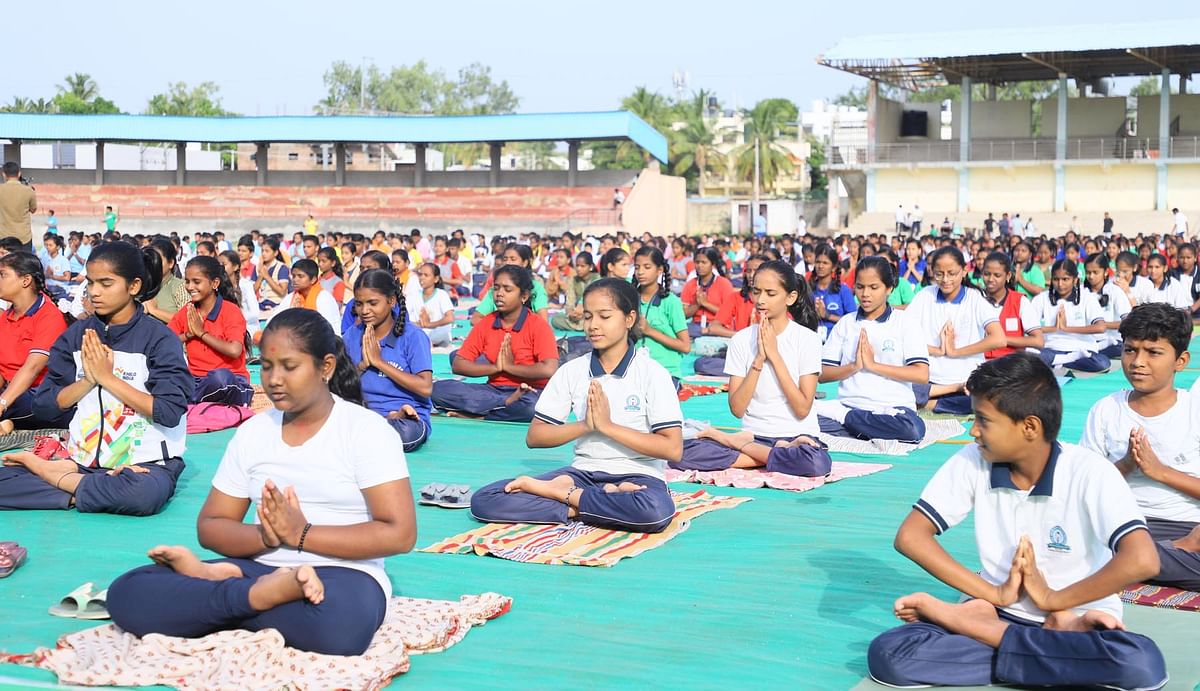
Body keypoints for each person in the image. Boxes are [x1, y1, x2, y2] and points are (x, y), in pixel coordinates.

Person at [106, 308, 416, 655]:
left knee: (340, 629)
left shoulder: (366, 431)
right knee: (128, 592)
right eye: (267, 367)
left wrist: (300, 535)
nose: (274, 380)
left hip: (343, 575)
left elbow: (399, 534)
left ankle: (227, 602)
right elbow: (212, 525)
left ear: (325, 367)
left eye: (289, 366)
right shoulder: (254, 431)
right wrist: (265, 537)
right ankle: (260, 595)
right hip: (258, 569)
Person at [866, 353, 1166, 690]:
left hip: (1078, 616)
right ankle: (1032, 646)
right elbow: (911, 536)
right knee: (889, 654)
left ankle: (977, 627)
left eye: (983, 420)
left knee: (1141, 664)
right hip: (1003, 613)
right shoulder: (973, 460)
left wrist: (1055, 601)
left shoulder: (1090, 471)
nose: (973, 430)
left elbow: (1142, 558)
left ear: (1029, 427)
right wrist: (992, 593)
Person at [470, 278, 682, 533]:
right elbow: (536, 436)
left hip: (638, 475)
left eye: (604, 316)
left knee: (653, 513)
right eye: (588, 317)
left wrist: (607, 427)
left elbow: (672, 448)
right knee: (486, 499)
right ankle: (589, 503)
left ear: (629, 319)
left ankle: (568, 499)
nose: (593, 326)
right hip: (583, 474)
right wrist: (585, 426)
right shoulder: (573, 370)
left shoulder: (652, 373)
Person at [0, 242, 190, 515]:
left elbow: (169, 412)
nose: (94, 292)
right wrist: (88, 381)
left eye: (106, 283)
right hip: (82, 461)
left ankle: (57, 479)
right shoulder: (76, 335)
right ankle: (80, 485)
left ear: (133, 286)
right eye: (90, 282)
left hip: (144, 466)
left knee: (142, 495)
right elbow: (44, 406)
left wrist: (107, 378)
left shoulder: (159, 339)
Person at [1081, 303, 1200, 592]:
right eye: (1130, 350)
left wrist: (1160, 472)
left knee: (1075, 562)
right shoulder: (1107, 410)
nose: (1138, 362)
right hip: (1123, 525)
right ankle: (1150, 557)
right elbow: (1084, 489)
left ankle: (1134, 563)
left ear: (1180, 361)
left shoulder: (1193, 409)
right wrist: (1125, 465)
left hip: (1187, 527)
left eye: (1153, 352)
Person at [673, 261, 832, 477]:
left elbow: (802, 408)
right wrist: (758, 359)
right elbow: (737, 408)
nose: (761, 300)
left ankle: (734, 444)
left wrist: (774, 356)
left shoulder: (807, 340)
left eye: (770, 293)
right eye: (757, 292)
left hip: (798, 436)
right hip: (755, 435)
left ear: (790, 298)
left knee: (815, 463)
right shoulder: (741, 340)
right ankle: (771, 455)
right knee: (681, 453)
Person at [815, 256, 929, 442]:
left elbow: (921, 374)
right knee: (800, 420)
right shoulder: (846, 323)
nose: (865, 294)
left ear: (889, 289)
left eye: (873, 287)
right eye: (860, 287)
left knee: (912, 431)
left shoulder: (905, 322)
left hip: (893, 410)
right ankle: (860, 426)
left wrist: (873, 365)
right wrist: (854, 366)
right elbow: (822, 373)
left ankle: (849, 422)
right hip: (849, 404)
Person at [431, 265, 559, 422]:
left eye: (507, 289)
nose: (499, 294)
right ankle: (500, 408)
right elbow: (458, 364)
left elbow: (549, 369)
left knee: (534, 407)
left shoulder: (538, 325)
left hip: (529, 393)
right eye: (496, 288)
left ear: (524, 296)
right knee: (437, 390)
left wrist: (510, 367)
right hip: (493, 391)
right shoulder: (487, 322)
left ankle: (483, 414)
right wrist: (496, 368)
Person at [906, 246, 1005, 415]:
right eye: (939, 274)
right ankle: (933, 400)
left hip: (967, 379)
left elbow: (999, 339)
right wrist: (937, 350)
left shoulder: (974, 298)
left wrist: (955, 352)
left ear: (964, 271)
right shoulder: (924, 296)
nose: (945, 279)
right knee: (898, 387)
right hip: (930, 381)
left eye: (952, 273)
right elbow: (904, 335)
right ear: (932, 271)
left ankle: (929, 404)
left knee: (991, 400)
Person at [344, 270, 433, 452]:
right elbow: (339, 386)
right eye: (359, 304)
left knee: (404, 435)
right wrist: (362, 366)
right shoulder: (351, 336)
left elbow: (425, 388)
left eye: (372, 303)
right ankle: (376, 427)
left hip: (406, 421)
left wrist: (379, 362)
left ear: (391, 301)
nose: (365, 310)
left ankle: (389, 421)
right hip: (363, 413)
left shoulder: (413, 336)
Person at [167, 256, 254, 406]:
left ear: (214, 283)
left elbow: (234, 350)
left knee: (221, 379)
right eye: (187, 281)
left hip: (230, 379)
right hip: (196, 380)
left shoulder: (230, 310)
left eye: (196, 282)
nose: (190, 287)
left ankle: (189, 400)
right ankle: (192, 398)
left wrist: (201, 334)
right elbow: (165, 341)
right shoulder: (188, 311)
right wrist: (188, 334)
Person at [0, 252, 70, 431]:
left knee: (32, 405)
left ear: (25, 280)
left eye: (2, 275)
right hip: (11, 393)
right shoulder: (6, 317)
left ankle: (11, 422)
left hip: (36, 394)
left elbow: (32, 368)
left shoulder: (49, 316)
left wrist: (2, 403)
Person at [1027, 259, 1110, 373]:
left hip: (1081, 350)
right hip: (1051, 348)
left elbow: (1101, 327)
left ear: (1075, 280)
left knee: (1102, 363)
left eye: (1065, 279)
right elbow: (1028, 328)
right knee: (1027, 354)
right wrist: (1053, 328)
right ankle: (1064, 360)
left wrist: (1066, 328)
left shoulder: (1087, 298)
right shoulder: (1041, 298)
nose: (1060, 284)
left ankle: (1058, 361)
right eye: (1056, 279)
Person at [693, 255, 766, 377]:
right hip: (740, 350)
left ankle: (750, 370)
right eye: (748, 271)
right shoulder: (736, 297)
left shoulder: (774, 299)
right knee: (701, 364)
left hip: (765, 352)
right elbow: (714, 328)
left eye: (756, 271)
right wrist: (741, 335)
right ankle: (748, 370)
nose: (751, 275)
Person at [633, 247, 690, 380]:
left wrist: (650, 331)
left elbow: (685, 346)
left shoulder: (671, 302)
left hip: (666, 372)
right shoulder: (630, 299)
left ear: (659, 270)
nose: (640, 272)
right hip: (636, 370)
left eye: (647, 267)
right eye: (637, 267)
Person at [979, 252, 1044, 359]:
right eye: (986, 274)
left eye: (997, 275)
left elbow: (1038, 341)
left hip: (1010, 364)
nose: (990, 279)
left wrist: (1000, 339)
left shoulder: (1020, 301)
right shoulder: (975, 298)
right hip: (979, 361)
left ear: (1008, 276)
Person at [471, 244, 550, 325]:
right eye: (505, 259)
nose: (508, 263)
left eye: (513, 259)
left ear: (525, 263)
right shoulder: (496, 288)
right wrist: (500, 329)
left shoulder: (536, 288)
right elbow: (475, 319)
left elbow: (543, 321)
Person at [1083, 254, 1132, 359]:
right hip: (1087, 340)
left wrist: (1101, 325)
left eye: (1095, 272)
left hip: (1111, 341)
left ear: (1105, 272)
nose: (1091, 276)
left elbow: (1128, 321)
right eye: (1088, 272)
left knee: (1121, 348)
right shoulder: (1081, 292)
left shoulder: (1114, 290)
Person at [680, 247, 735, 339]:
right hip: (696, 326)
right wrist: (697, 304)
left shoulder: (724, 283)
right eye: (697, 262)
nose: (700, 266)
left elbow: (729, 315)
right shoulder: (690, 284)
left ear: (712, 264)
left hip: (718, 327)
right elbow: (683, 315)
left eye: (704, 262)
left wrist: (706, 304)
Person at [810, 244, 857, 342]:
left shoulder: (843, 290)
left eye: (825, 263)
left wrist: (827, 316)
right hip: (811, 341)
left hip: (837, 342)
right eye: (818, 262)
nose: (820, 266)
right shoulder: (808, 289)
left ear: (834, 267)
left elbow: (853, 321)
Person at [141, 238, 189, 324]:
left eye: (158, 260)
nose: (154, 264)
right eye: (150, 260)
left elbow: (186, 321)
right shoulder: (140, 285)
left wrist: (154, 310)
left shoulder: (180, 287)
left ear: (171, 263)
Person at [551, 251, 600, 332]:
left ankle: (585, 325)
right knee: (555, 320)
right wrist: (571, 313)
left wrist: (584, 310)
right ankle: (584, 326)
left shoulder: (597, 279)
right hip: (578, 317)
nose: (579, 269)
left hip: (593, 314)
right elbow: (570, 301)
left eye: (582, 266)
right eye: (577, 266)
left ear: (590, 267)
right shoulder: (573, 280)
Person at [218, 250, 261, 342]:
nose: (220, 268)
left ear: (235, 267)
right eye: (218, 265)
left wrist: (234, 318)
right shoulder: (219, 287)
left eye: (223, 264)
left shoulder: (245, 285)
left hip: (248, 329)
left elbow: (255, 312)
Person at [411, 262, 455, 347]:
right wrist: (419, 325)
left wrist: (430, 325)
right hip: (419, 331)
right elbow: (406, 318)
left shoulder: (441, 294)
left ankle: (425, 341)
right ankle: (424, 341)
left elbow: (450, 318)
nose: (422, 278)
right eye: (420, 275)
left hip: (437, 331)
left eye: (426, 275)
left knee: (444, 331)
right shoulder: (414, 295)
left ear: (436, 279)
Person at [0, 163, 37, 254]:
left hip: (3, 236)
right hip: (24, 238)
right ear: (19, 173)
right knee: (23, 266)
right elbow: (33, 210)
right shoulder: (29, 191)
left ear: (3, 174)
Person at [255, 237, 291, 311]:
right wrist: (260, 277)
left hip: (277, 306)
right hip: (261, 306)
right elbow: (252, 291)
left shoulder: (282, 268)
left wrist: (267, 276)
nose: (264, 254)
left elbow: (282, 291)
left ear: (275, 253)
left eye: (267, 251)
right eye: (262, 251)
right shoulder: (258, 267)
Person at [41, 234, 72, 299]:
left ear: (57, 247)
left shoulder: (63, 260)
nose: (48, 247)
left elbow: (67, 278)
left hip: (60, 289)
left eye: (50, 245)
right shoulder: (44, 258)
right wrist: (45, 275)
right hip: (47, 288)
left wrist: (52, 276)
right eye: (46, 245)